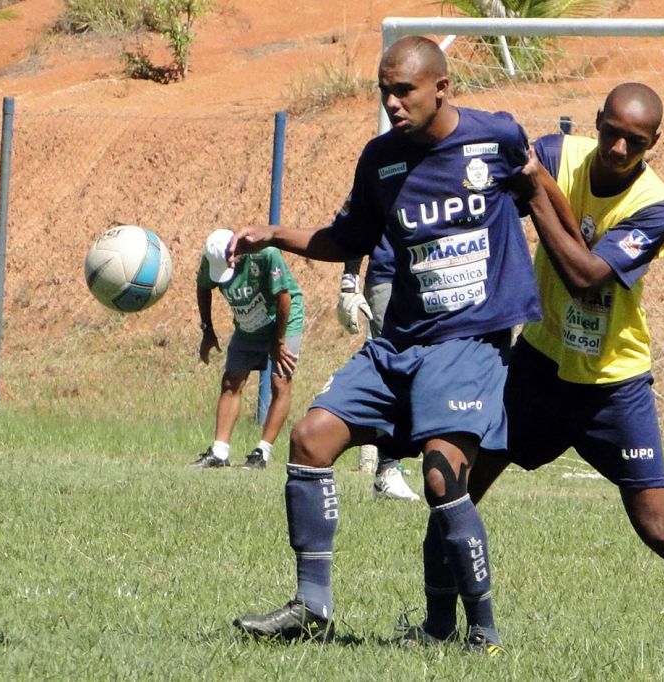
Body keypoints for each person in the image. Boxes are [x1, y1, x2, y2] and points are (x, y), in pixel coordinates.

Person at [414, 83, 664, 654]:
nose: (617, 147)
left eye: (634, 141)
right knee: (452, 490)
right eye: (611, 131)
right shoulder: (558, 155)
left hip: (613, 383)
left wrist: (535, 195)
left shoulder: (658, 207)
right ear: (597, 121)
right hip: (538, 364)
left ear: (654, 143)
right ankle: (437, 628)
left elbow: (585, 274)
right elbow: (489, 186)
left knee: (658, 525)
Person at [228, 35, 541, 654]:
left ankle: (483, 633)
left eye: (405, 91)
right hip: (399, 341)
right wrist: (275, 235)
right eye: (385, 91)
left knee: (440, 480)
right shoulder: (380, 160)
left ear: (441, 88)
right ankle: (312, 605)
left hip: (469, 342)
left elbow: (541, 190)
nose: (394, 103)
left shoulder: (497, 139)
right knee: (311, 438)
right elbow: (348, 237)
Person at [190, 228, 304, 470]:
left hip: (283, 318)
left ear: (237, 250)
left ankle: (262, 452)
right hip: (248, 322)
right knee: (231, 380)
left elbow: (284, 298)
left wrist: (279, 340)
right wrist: (207, 330)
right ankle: (219, 453)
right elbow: (203, 287)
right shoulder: (212, 260)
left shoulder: (266, 255)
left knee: (280, 381)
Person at [337, 244, 420, 502]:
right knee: (396, 365)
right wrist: (349, 283)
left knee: (427, 367)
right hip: (388, 276)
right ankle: (386, 469)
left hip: (434, 277)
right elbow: (358, 226)